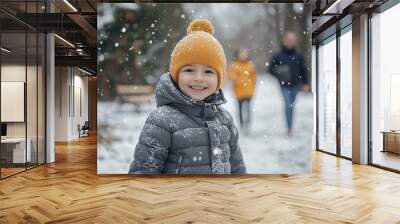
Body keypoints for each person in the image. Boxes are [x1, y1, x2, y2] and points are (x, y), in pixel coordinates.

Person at [129, 19, 246, 174]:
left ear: (219, 79)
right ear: (176, 75)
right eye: (189, 70)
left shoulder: (225, 120)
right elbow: (143, 172)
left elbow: (237, 168)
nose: (199, 78)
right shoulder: (162, 120)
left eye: (208, 72)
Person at [268, 31, 308, 136]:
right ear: (284, 40)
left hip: (296, 85)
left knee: (292, 106)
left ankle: (290, 126)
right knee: (288, 106)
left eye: (292, 39)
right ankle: (289, 128)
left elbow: (304, 69)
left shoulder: (299, 54)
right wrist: (280, 73)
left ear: (295, 41)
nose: (290, 41)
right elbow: (270, 69)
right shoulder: (278, 55)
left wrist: (305, 83)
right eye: (288, 39)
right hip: (284, 85)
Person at [228, 48, 257, 134]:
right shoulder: (234, 65)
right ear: (237, 55)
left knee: (248, 109)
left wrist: (252, 87)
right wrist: (234, 79)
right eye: (241, 54)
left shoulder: (251, 65)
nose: (243, 55)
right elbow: (230, 76)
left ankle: (247, 124)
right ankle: (241, 125)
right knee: (240, 109)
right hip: (238, 92)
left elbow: (254, 78)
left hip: (248, 91)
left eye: (245, 54)